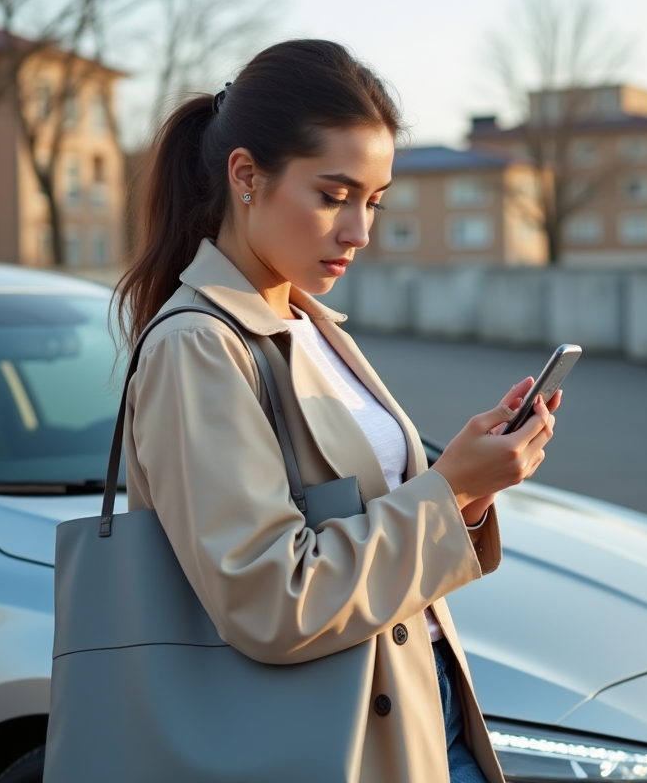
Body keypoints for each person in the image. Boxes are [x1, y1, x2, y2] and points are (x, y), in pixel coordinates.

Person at [114, 39, 560, 783]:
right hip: (330, 742)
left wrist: (473, 488)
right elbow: (270, 598)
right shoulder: (197, 345)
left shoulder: (309, 323)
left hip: (419, 713)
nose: (358, 232)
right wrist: (445, 490)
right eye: (333, 195)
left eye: (374, 202)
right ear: (247, 176)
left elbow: (375, 520)